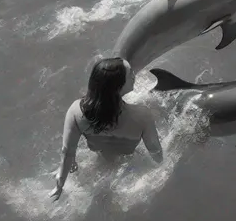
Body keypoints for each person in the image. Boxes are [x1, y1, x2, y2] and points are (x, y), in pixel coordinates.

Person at [49, 57, 163, 201]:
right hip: (130, 170)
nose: (134, 76)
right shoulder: (142, 115)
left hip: (98, 165)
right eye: (130, 74)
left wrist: (60, 185)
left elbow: (67, 152)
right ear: (119, 86)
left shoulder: (76, 111)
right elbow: (155, 151)